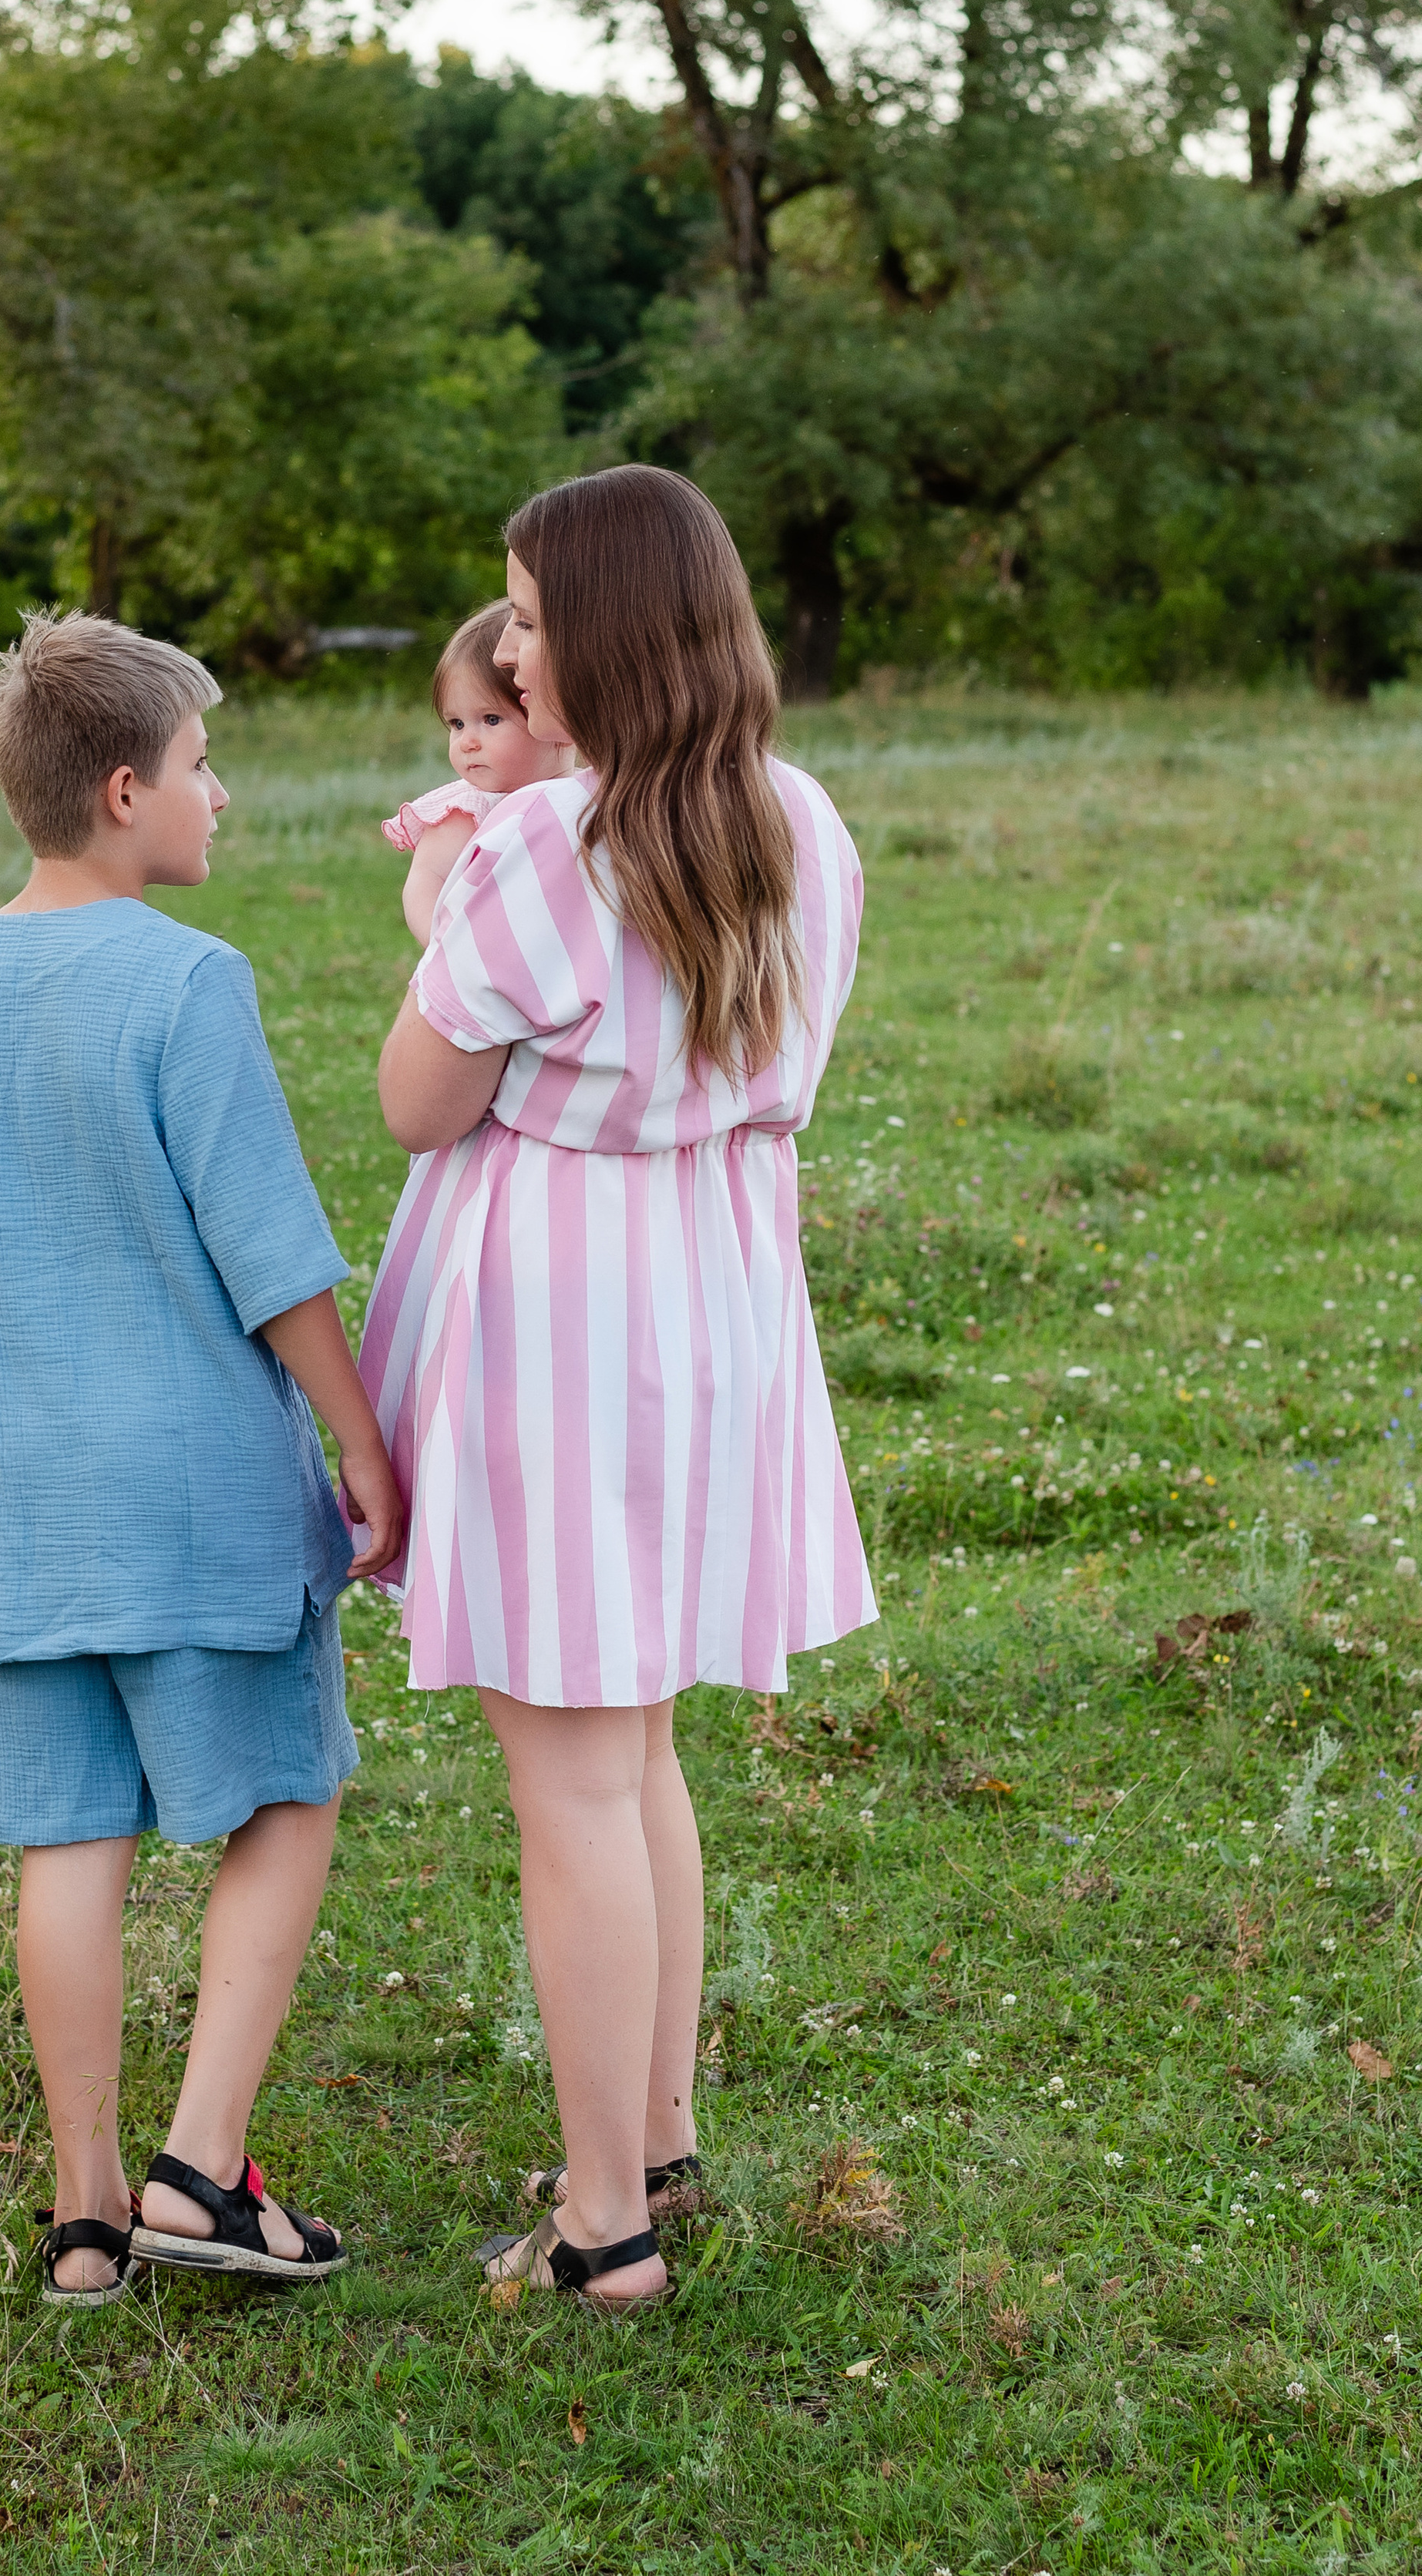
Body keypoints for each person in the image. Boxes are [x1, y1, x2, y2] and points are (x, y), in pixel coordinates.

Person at [358, 468, 873, 2312]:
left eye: (528, 608)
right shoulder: (800, 826)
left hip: (561, 1329)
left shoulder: (532, 851)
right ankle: (647, 2127)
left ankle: (603, 2226)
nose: (504, 640)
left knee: (571, 1777)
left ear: (614, 632)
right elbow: (772, 1073)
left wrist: (456, 961)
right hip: (716, 1305)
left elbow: (416, 1100)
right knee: (633, 1747)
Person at [0, 610, 403, 2306]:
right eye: (199, 765)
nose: (218, 796)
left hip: (20, 1513)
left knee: (67, 1840)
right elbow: (272, 1253)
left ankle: (85, 2211)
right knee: (290, 1795)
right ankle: (197, 2168)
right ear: (119, 791)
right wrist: (360, 1439)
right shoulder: (187, 979)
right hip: (194, 1496)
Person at [383, 602, 575, 944]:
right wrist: (447, 952)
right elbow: (425, 883)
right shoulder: (469, 811)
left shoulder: (588, 796)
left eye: (490, 720)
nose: (467, 742)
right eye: (456, 723)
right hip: (480, 968)